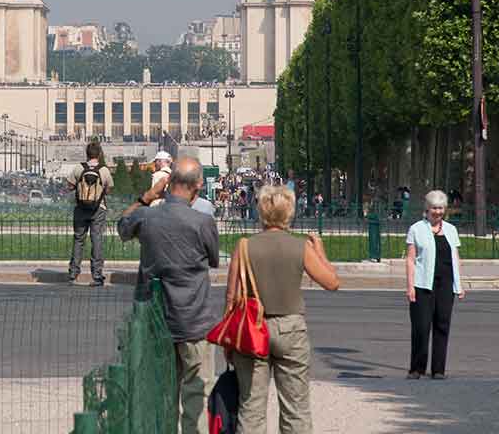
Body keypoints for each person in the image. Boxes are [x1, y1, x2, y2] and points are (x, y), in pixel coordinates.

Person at [226, 185, 339, 434]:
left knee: (251, 407)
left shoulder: (244, 246)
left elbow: (231, 298)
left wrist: (229, 344)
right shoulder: (300, 247)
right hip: (290, 328)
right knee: (296, 408)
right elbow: (332, 283)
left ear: (261, 211)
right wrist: (320, 253)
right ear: (290, 212)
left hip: (252, 329)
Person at [116, 157, 217, 434]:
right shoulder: (203, 221)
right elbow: (213, 259)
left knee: (161, 395)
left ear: (168, 183)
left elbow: (123, 225)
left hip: (155, 320)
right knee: (196, 396)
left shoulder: (147, 217)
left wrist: (146, 197)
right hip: (193, 320)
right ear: (198, 185)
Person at [405, 190, 465, 380]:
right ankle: (416, 368)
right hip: (423, 284)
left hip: (446, 284)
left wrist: (460, 284)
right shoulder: (416, 229)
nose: (437, 212)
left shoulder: (450, 230)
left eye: (440, 208)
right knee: (421, 327)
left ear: (444, 210)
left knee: (442, 325)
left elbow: (455, 258)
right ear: (427, 209)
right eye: (434, 208)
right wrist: (410, 286)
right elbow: (410, 259)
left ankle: (438, 370)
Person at [66, 141, 113, 287]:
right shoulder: (104, 170)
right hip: (98, 208)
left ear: (86, 154)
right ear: (99, 154)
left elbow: (69, 186)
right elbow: (109, 188)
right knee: (96, 240)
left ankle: (73, 274)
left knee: (79, 240)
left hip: (80, 208)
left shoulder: (79, 168)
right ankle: (97, 276)